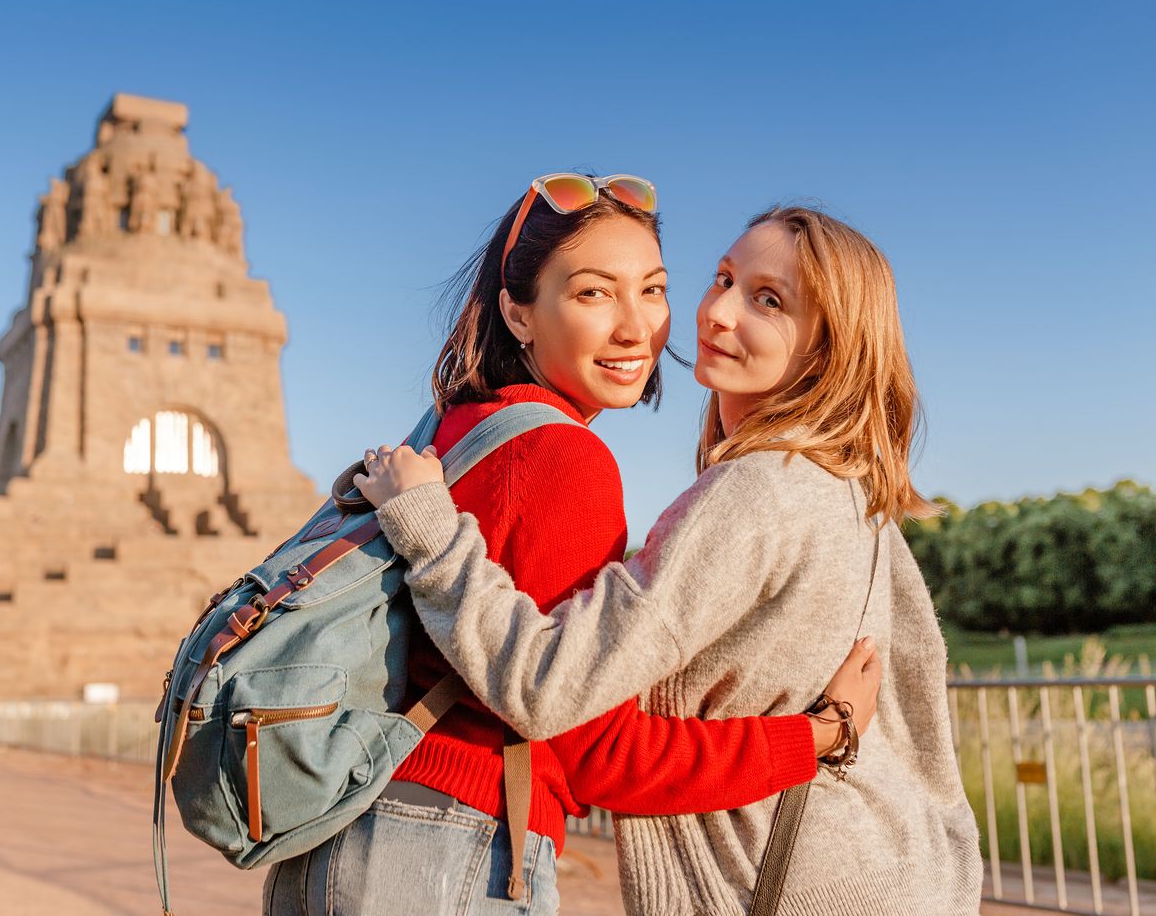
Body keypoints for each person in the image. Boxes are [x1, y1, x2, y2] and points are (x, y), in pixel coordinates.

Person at [263, 180, 882, 916]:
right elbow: (602, 754)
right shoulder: (563, 459)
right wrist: (813, 737)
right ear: (517, 312)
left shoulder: (458, 430)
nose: (637, 329)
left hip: (349, 832)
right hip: (448, 848)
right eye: (593, 294)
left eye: (652, 291)